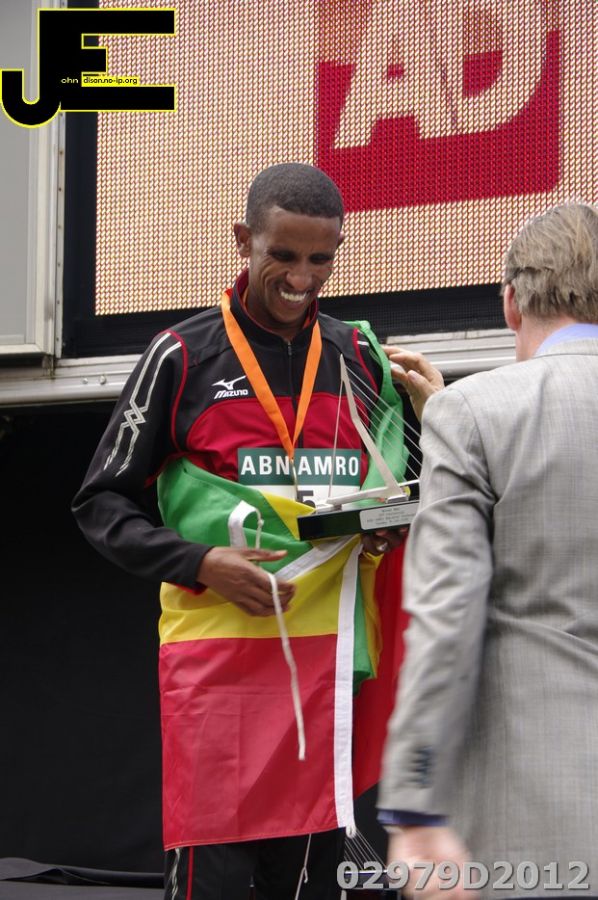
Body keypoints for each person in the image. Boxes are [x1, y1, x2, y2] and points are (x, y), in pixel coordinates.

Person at [73, 162, 410, 900]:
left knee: (313, 885)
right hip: (217, 669)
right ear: (243, 240)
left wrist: (381, 530)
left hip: (325, 666)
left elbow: (393, 492)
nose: (302, 279)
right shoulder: (182, 355)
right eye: (282, 256)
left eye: (321, 260)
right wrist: (198, 562)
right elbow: (100, 503)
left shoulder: (358, 357)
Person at [377, 202, 598, 900]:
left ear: (510, 302)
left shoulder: (474, 413)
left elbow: (447, 620)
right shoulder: (468, 413)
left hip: (535, 828)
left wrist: (414, 804)